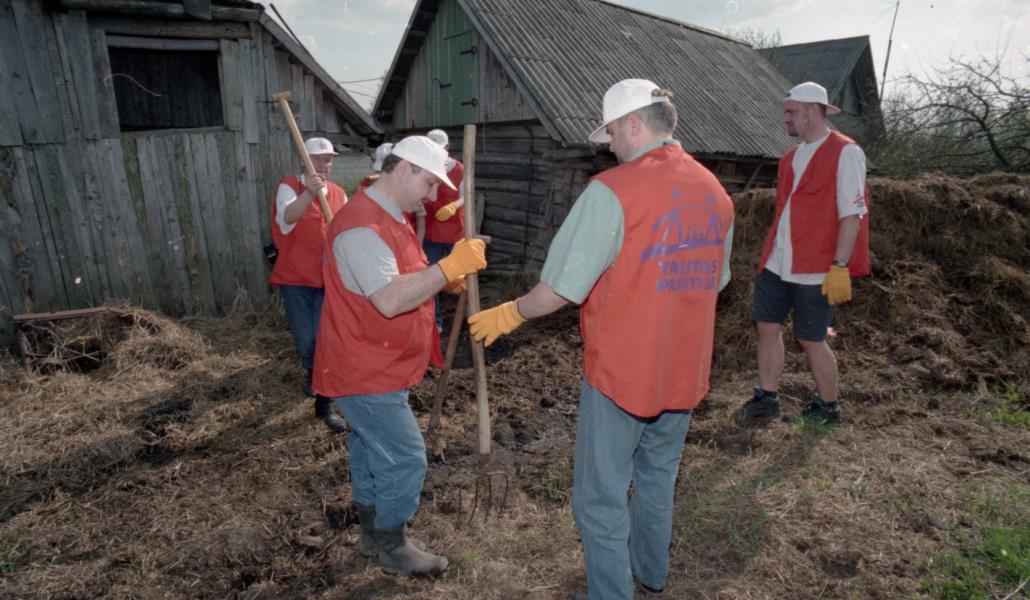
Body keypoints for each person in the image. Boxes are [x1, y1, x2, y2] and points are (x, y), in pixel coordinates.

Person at [468, 79, 734, 600]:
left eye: (611, 132)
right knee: (657, 477)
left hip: (622, 374)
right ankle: (651, 573)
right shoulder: (715, 192)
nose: (609, 144)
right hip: (683, 370)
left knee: (599, 498)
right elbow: (716, 281)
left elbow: (558, 291)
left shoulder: (613, 191)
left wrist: (511, 312)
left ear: (633, 123)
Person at [312, 135, 487, 577]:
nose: (433, 194)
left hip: (381, 361)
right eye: (430, 183)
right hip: (363, 368)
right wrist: (448, 267)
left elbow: (404, 275)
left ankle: (374, 535)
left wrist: (442, 279)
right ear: (404, 169)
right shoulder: (361, 227)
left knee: (371, 449)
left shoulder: (392, 216)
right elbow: (389, 299)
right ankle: (394, 545)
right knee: (406, 457)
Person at [732, 81, 870, 429]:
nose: (786, 119)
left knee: (811, 338)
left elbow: (852, 214)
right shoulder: (790, 158)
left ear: (811, 111)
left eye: (791, 112)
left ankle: (828, 407)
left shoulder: (846, 152)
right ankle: (767, 399)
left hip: (816, 267)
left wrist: (839, 266)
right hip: (778, 262)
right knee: (767, 326)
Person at [268, 137, 348, 433]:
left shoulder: (338, 193)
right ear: (304, 160)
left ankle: (325, 394)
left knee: (325, 337)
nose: (323, 164)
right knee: (307, 340)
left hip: (329, 280)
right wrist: (310, 193)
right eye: (317, 159)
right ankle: (312, 371)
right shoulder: (289, 186)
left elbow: (345, 232)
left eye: (328, 159)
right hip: (297, 279)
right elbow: (287, 218)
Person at [422, 128, 465, 329]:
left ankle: (464, 317)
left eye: (440, 148)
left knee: (461, 277)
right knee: (430, 277)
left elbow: (467, 196)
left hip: (455, 230)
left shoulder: (459, 170)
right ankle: (436, 321)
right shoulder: (424, 167)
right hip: (431, 231)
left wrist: (454, 205)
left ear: (447, 147)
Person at [362, 142, 426, 242]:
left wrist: (418, 245)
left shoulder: (410, 189)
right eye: (379, 171)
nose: (381, 175)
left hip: (405, 241)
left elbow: (421, 222)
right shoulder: (366, 185)